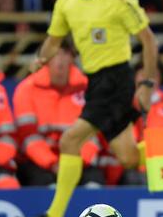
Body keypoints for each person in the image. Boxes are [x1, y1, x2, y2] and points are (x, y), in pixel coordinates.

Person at [15, 0, 158, 217]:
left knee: (70, 141)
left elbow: (149, 41)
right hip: (95, 83)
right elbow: (54, 40)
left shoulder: (120, 0)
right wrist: (40, 59)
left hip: (117, 80)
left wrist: (146, 84)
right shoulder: (66, 1)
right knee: (128, 157)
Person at [13, 41, 105, 187]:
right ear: (45, 59)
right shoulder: (26, 89)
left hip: (78, 161)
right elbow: (29, 137)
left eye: (65, 54)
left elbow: (92, 136)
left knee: (94, 185)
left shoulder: (89, 89)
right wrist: (52, 163)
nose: (60, 60)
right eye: (55, 54)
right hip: (39, 163)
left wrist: (74, 164)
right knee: (46, 185)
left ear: (73, 58)